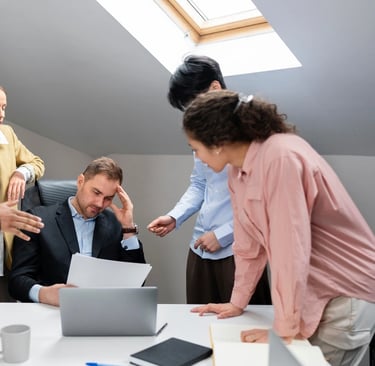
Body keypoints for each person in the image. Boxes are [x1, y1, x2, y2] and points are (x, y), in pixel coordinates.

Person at [182, 89, 375, 366]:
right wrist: (237, 302)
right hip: (314, 290)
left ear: (217, 143)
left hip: (346, 292)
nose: (198, 158)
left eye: (195, 148)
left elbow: (289, 251)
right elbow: (248, 246)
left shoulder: (280, 157)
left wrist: (283, 332)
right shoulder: (238, 172)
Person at [147, 55, 271, 305]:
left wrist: (223, 235)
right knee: (199, 325)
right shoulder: (202, 132)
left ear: (214, 88)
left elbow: (265, 203)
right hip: (200, 246)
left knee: (243, 330)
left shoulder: (253, 132)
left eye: (193, 103)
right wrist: (175, 216)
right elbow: (200, 184)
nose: (192, 113)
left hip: (238, 248)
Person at [9, 157, 146, 306]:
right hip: (53, 313)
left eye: (108, 198)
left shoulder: (117, 224)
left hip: (103, 311)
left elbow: (137, 283)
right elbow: (17, 281)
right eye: (96, 192)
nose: (100, 204)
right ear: (81, 181)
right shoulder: (37, 219)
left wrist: (128, 228)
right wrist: (43, 293)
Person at [0, 85, 45, 302]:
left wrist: (21, 172)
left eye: (4, 107)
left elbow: (37, 163)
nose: (2, 114)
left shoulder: (7, 134)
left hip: (5, 255)